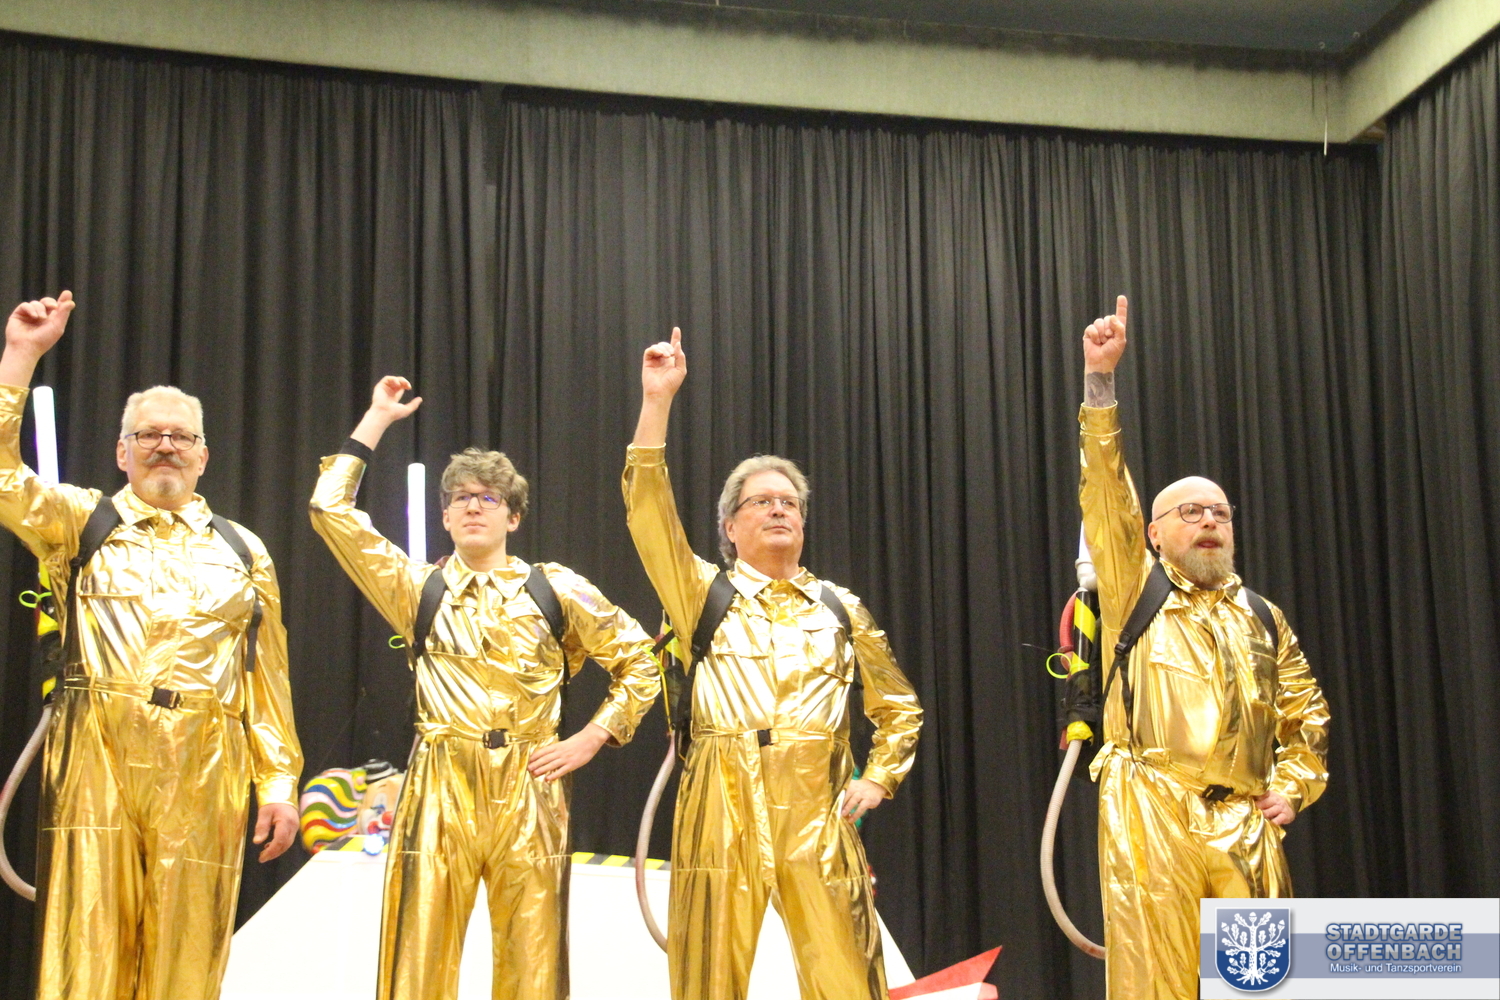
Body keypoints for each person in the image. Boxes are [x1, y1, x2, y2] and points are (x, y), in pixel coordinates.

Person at [309, 376, 661, 1000]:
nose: (474, 506)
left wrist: (592, 737)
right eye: (461, 498)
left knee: (533, 963)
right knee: (416, 958)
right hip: (439, 778)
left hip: (531, 781)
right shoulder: (415, 587)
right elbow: (329, 511)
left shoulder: (556, 588)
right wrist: (375, 421)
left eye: (489, 497)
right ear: (444, 516)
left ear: (513, 516)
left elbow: (641, 661)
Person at [0, 291, 303, 999]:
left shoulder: (243, 549)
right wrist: (20, 356)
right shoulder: (80, 522)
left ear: (203, 454)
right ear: (122, 451)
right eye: (148, 434)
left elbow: (267, 676)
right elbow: (4, 479)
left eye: (180, 436)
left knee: (186, 958)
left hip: (206, 762)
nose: (165, 444)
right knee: (87, 953)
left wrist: (279, 783)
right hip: (96, 752)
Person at [624, 328, 923, 1000]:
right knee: (708, 980)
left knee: (849, 978)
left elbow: (899, 706)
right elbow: (646, 511)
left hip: (819, 807)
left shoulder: (840, 608)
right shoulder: (700, 592)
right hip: (719, 799)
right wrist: (657, 401)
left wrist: (880, 776)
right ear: (730, 528)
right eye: (762, 501)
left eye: (790, 502)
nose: (779, 508)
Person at [1078, 296, 1330, 1000]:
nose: (1210, 521)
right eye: (1191, 512)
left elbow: (1307, 716)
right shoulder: (1135, 589)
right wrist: (1101, 383)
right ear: (1154, 533)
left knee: (1261, 983)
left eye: (1220, 511)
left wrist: (1294, 785)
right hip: (1153, 806)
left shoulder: (1263, 617)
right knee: (1154, 981)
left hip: (1244, 820)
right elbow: (1106, 492)